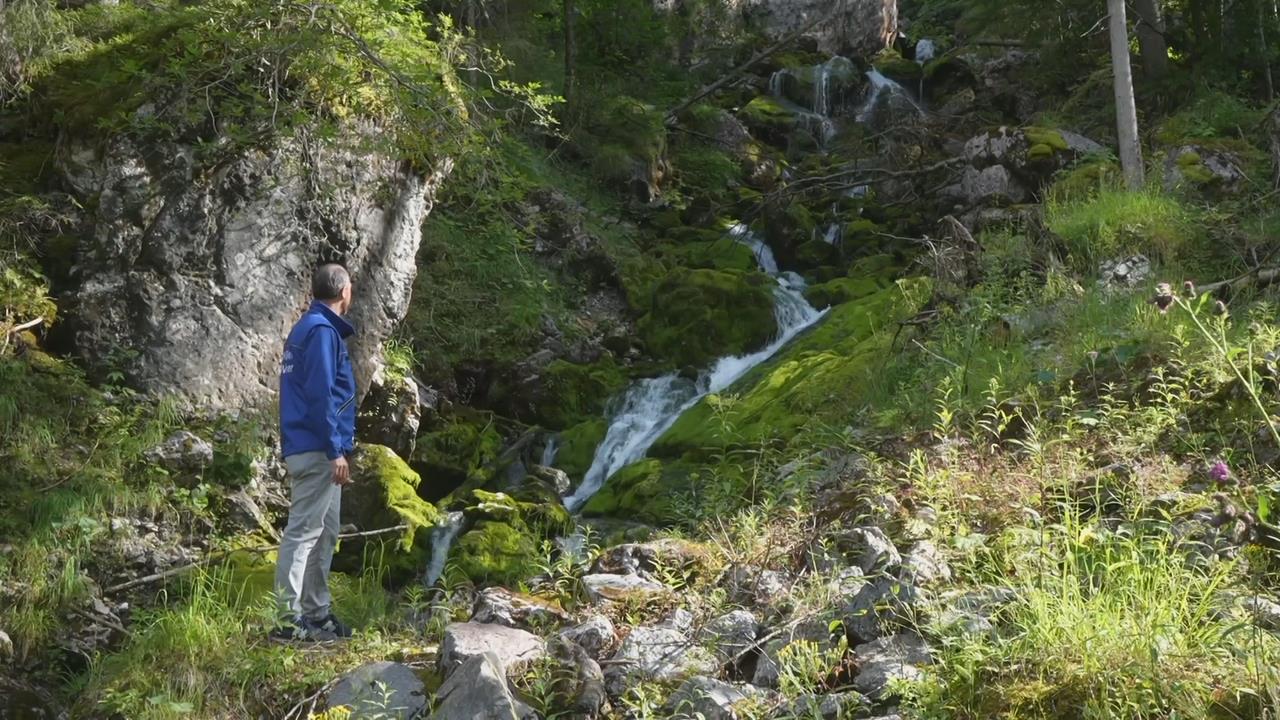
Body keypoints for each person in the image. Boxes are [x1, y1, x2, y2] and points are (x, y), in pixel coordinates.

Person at [272, 264, 358, 641]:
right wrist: (334, 449)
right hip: (318, 448)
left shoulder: (305, 329)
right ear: (344, 292)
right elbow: (322, 394)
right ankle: (286, 621)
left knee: (326, 532)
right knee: (304, 532)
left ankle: (317, 614)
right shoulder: (322, 332)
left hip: (314, 446)